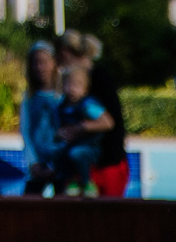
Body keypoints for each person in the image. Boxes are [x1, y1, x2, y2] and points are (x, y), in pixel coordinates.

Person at [57, 30, 130, 199]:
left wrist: (77, 129)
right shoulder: (85, 81)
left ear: (65, 53)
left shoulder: (98, 78)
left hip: (107, 164)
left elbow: (110, 122)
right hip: (88, 164)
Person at [44, 60, 114, 196]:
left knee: (77, 153)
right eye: (68, 84)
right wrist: (60, 134)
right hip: (69, 145)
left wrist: (81, 127)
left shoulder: (88, 106)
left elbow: (108, 123)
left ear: (85, 89)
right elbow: (56, 129)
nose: (72, 88)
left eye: (77, 85)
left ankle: (87, 182)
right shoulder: (61, 105)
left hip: (89, 147)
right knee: (55, 151)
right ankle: (71, 179)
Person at [18, 42, 65, 197]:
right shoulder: (29, 97)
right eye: (36, 63)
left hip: (60, 166)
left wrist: (56, 164)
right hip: (36, 166)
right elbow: (25, 130)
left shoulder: (63, 95)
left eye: (43, 62)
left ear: (53, 63)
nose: (40, 67)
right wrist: (33, 163)